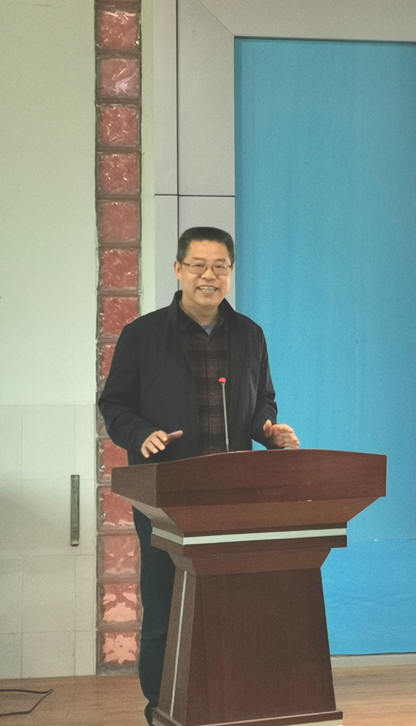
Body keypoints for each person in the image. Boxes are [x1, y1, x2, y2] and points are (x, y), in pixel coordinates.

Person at [98, 227, 299, 725]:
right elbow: (115, 404)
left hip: (231, 497)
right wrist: (141, 433)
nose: (209, 276)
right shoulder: (143, 335)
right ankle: (162, 706)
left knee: (230, 606)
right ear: (178, 269)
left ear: (231, 272)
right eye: (198, 265)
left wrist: (267, 430)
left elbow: (262, 399)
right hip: (165, 496)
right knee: (166, 606)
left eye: (220, 267)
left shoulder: (249, 334)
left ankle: (226, 701)